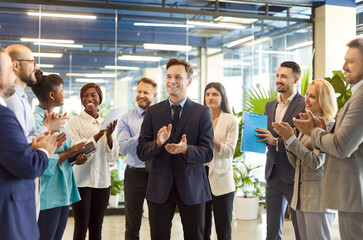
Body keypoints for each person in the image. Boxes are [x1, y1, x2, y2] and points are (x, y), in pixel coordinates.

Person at [293, 38, 363, 240]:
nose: (344, 66)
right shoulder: (355, 96)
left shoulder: (360, 99)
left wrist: (315, 132)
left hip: (352, 195)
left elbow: (341, 147)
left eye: (350, 61)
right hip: (347, 196)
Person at [137, 58, 214, 240]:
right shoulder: (153, 112)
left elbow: (208, 151)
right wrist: (157, 143)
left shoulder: (202, 112)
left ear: (188, 81)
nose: (172, 81)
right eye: (169, 76)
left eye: (178, 77)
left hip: (192, 187)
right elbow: (141, 150)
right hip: (159, 187)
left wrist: (187, 149)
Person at [0, 48, 63, 240]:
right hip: (13, 196)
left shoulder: (20, 99)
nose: (37, 67)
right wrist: (43, 146)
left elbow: (17, 144)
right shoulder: (9, 104)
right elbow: (20, 153)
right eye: (33, 61)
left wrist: (41, 136)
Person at [272, 79, 337, 240]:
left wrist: (292, 140)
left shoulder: (328, 125)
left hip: (318, 199)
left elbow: (315, 162)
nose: (306, 99)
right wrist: (289, 139)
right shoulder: (306, 123)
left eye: (313, 96)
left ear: (324, 100)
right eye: (307, 94)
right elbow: (297, 163)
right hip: (300, 198)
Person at [31, 73, 88, 240]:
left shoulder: (57, 119)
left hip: (62, 192)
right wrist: (70, 152)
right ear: (51, 95)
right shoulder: (37, 122)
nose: (63, 93)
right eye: (61, 90)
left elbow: (62, 152)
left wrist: (76, 157)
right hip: (47, 194)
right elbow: (42, 161)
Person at [255, 61, 305, 240]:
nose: (278, 80)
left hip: (294, 175)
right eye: (277, 76)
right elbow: (266, 136)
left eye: (284, 76)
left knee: (301, 228)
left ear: (296, 79)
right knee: (272, 230)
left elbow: (301, 140)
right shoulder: (270, 105)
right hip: (272, 173)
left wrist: (276, 141)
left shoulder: (304, 104)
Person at [66, 83, 119, 240]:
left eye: (93, 95)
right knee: (81, 226)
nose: (89, 98)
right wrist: (99, 134)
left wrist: (108, 136)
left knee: (97, 227)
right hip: (82, 182)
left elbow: (113, 157)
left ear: (99, 98)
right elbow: (79, 151)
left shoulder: (106, 123)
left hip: (102, 182)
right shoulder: (75, 122)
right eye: (85, 96)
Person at [118, 77, 158, 240]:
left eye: (146, 93)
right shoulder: (127, 118)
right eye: (139, 91)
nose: (141, 95)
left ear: (154, 95)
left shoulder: (162, 116)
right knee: (132, 225)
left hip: (157, 174)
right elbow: (123, 148)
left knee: (158, 222)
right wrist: (143, 134)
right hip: (134, 174)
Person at [203, 82, 238, 240]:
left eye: (215, 94)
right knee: (202, 227)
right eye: (208, 94)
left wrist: (212, 140)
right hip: (200, 177)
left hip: (222, 181)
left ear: (222, 97)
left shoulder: (231, 120)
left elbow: (229, 152)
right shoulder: (200, 117)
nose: (210, 97)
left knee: (223, 230)